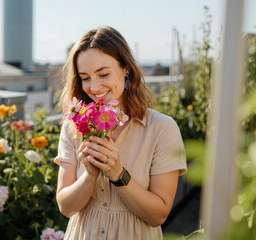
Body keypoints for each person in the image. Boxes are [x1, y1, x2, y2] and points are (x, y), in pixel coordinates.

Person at [54, 26, 187, 240]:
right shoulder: (73, 128)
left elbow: (158, 216)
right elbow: (66, 207)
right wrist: (89, 176)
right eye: (85, 78)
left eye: (104, 74)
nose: (94, 87)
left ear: (126, 68)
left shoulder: (162, 128)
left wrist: (118, 174)